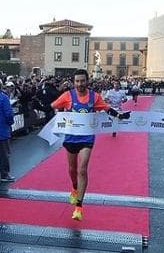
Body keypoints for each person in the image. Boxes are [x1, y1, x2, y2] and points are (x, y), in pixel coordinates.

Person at [51, 69, 130, 221]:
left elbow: (107, 109)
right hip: (70, 137)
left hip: (87, 138)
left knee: (82, 169)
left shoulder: (94, 97)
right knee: (72, 169)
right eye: (77, 81)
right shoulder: (68, 96)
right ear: (74, 82)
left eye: (82, 81)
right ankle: (74, 188)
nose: (80, 84)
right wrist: (63, 113)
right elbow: (54, 105)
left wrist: (120, 115)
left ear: (87, 81)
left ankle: (79, 207)